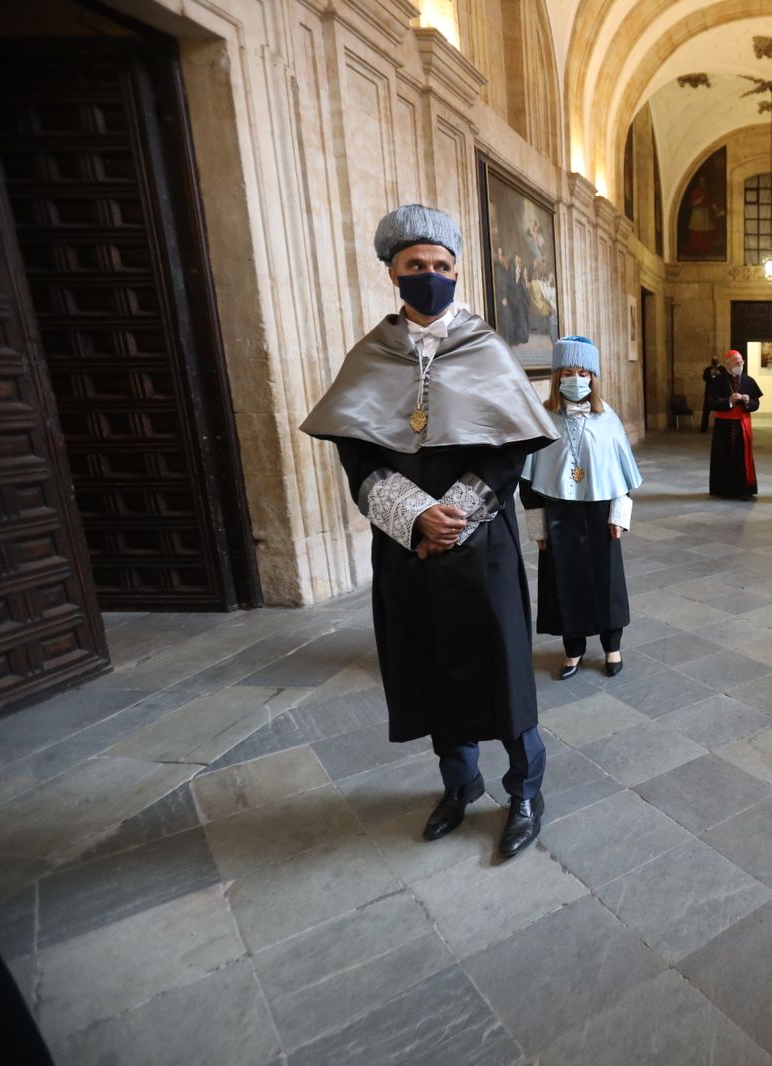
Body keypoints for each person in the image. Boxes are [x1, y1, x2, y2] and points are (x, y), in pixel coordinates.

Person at [300, 203, 558, 860]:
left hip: (482, 543)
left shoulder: (485, 347)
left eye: (442, 266)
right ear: (393, 272)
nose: (431, 276)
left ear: (456, 271)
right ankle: (459, 783)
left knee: (504, 672)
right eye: (417, 266)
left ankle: (525, 789)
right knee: (431, 667)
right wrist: (415, 513)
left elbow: (509, 451)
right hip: (404, 543)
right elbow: (357, 456)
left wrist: (458, 514)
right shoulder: (370, 355)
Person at [522, 336, 642, 680]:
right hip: (558, 514)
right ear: (557, 377)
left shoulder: (608, 419)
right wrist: (538, 528)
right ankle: (572, 650)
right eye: (568, 372)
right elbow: (527, 482)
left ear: (594, 377)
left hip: (600, 513)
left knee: (606, 581)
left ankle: (611, 645)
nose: (576, 379)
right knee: (563, 581)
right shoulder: (543, 419)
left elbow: (624, 475)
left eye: (584, 372)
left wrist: (619, 517)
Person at [707, 349, 761, 499]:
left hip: (743, 423)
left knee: (742, 456)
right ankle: (724, 489)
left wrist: (749, 401)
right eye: (737, 362)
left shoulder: (748, 381)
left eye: (742, 362)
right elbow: (711, 403)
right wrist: (728, 401)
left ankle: (744, 489)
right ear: (728, 364)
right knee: (724, 455)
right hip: (723, 425)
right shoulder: (718, 381)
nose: (740, 364)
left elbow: (757, 404)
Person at [699, 354, 724, 433]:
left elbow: (725, 379)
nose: (715, 361)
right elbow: (704, 378)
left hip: (719, 394)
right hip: (709, 393)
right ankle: (703, 429)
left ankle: (721, 429)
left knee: (721, 412)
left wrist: (719, 374)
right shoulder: (708, 369)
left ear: (718, 360)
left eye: (716, 359)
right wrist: (710, 374)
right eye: (713, 360)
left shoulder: (722, 369)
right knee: (706, 412)